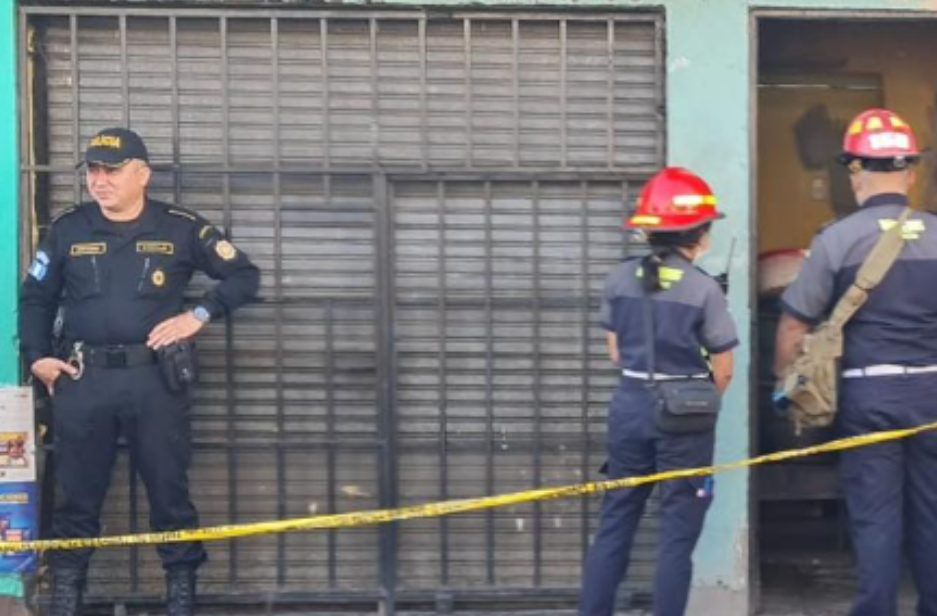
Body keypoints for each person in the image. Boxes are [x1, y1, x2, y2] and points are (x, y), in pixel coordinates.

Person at [19, 128, 260, 616]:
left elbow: (244, 276)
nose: (99, 181)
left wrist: (198, 316)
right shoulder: (69, 228)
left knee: (168, 487)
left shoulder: (180, 228)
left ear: (142, 174)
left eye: (111, 170)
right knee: (77, 490)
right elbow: (36, 298)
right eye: (92, 171)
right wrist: (37, 357)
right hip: (83, 380)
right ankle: (67, 591)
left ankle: (181, 590)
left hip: (154, 381)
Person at [775, 108, 937, 616]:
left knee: (876, 517)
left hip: (869, 396)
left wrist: (788, 387)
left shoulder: (836, 240)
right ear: (910, 172)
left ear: (855, 173)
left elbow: (794, 324)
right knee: (932, 514)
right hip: (933, 395)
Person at [579, 167, 737, 616]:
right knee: (677, 532)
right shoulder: (704, 288)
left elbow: (615, 352)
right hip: (684, 415)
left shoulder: (618, 278)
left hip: (629, 406)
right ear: (699, 234)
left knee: (616, 521)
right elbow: (723, 367)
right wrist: (699, 404)